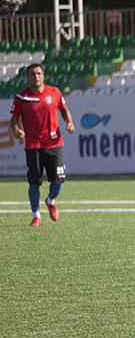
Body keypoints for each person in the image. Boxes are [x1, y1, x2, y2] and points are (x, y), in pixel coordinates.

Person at [10, 63, 75, 226]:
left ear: (43, 76)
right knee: (34, 183)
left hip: (54, 143)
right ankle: (36, 215)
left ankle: (51, 201)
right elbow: (14, 118)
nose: (36, 76)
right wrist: (16, 129)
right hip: (33, 146)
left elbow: (64, 109)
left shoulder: (54, 92)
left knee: (58, 180)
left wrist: (69, 122)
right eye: (32, 74)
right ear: (28, 78)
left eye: (39, 73)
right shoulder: (21, 97)